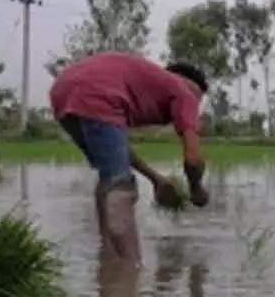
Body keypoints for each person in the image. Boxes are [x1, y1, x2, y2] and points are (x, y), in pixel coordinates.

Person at [50, 52, 212, 263]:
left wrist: (155, 179)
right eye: (198, 100)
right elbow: (193, 158)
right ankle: (129, 267)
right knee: (121, 187)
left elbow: (118, 148)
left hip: (62, 89)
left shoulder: (147, 84)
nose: (195, 106)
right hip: (97, 92)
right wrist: (196, 189)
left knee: (109, 179)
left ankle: (108, 258)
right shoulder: (185, 93)